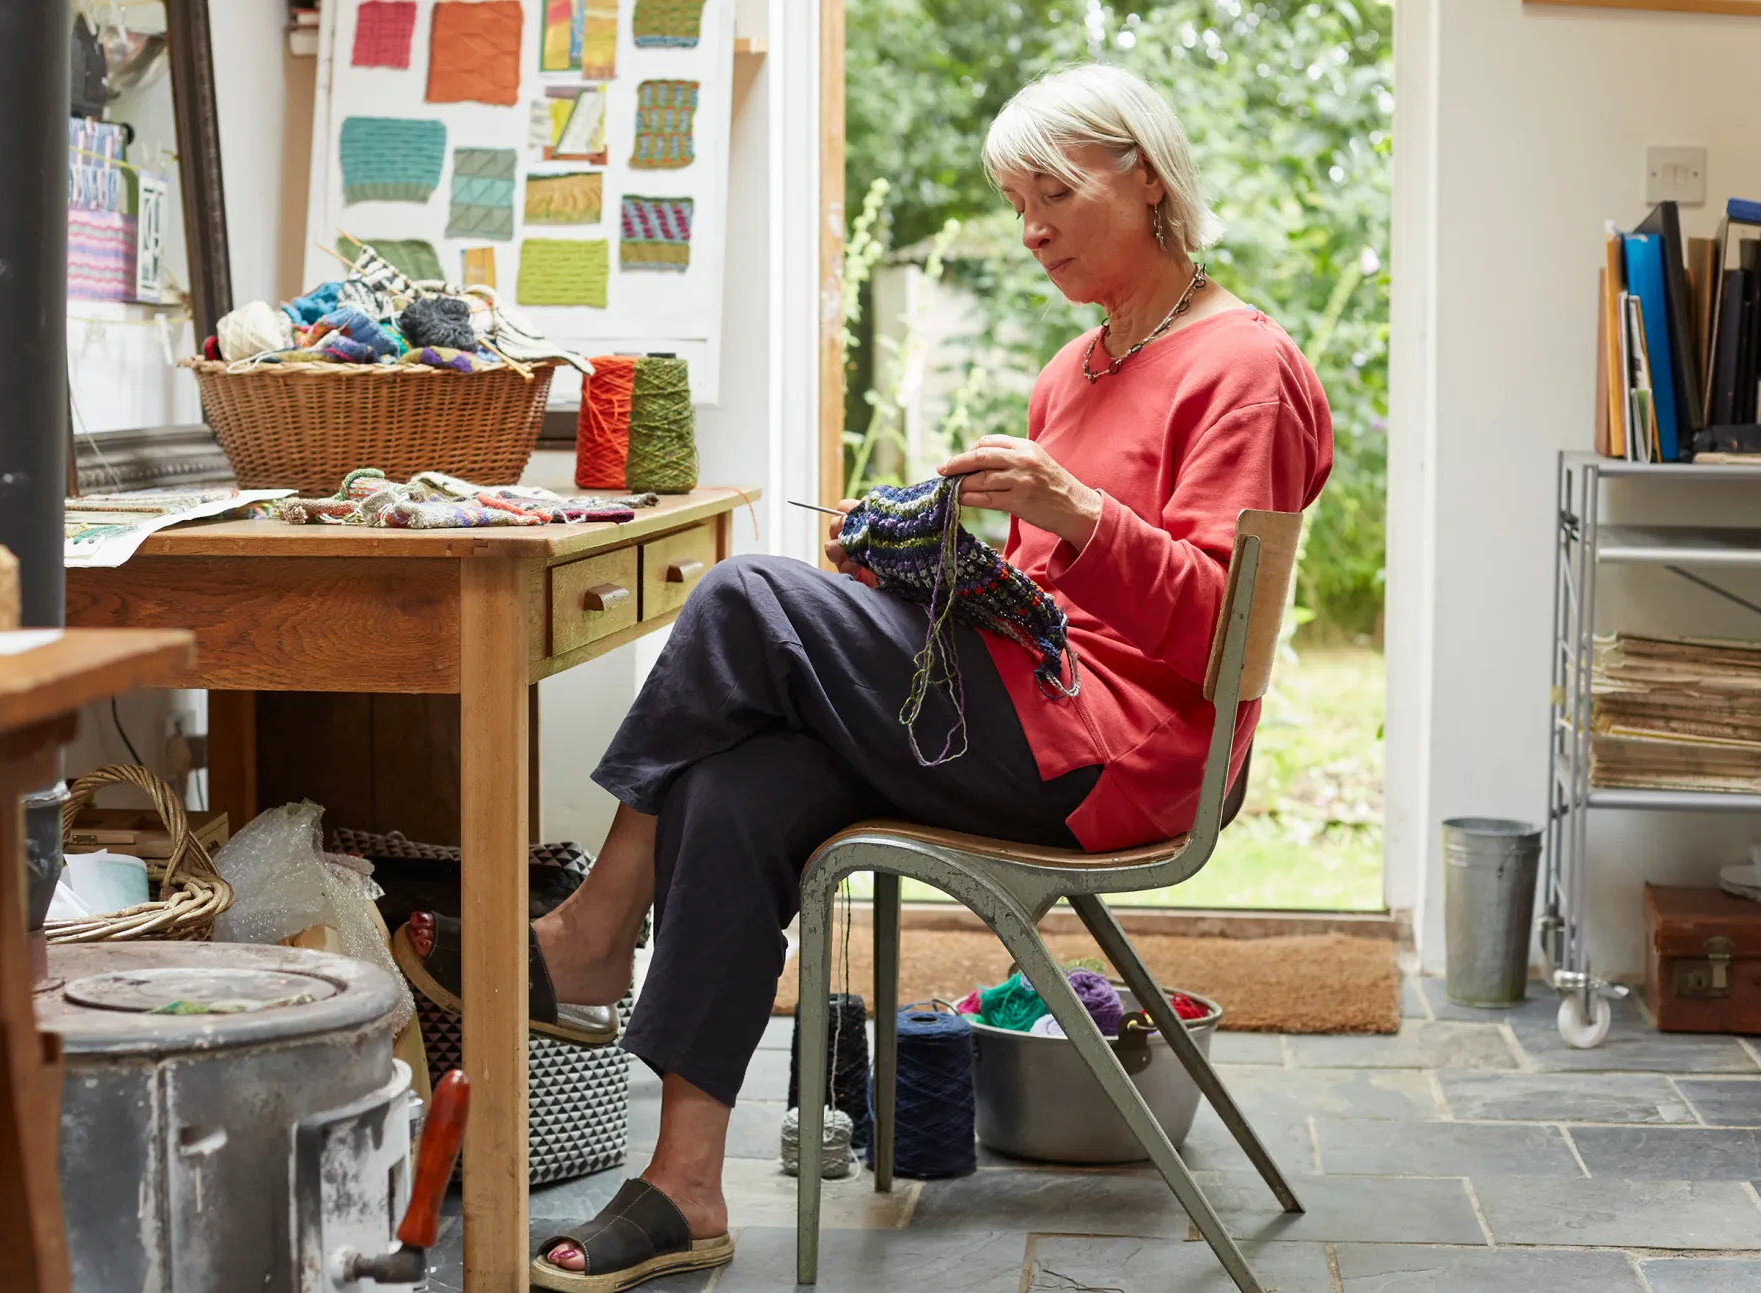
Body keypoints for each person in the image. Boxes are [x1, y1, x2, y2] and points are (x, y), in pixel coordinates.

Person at [393, 61, 1333, 1292]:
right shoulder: (1075, 368)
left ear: (1145, 176)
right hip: (1038, 718)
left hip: (1123, 760)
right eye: (1014, 201)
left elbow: (1220, 639)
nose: (1031, 226)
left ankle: (586, 932)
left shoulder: (1242, 366)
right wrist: (925, 575)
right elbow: (1046, 612)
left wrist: (1075, 511)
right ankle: (683, 1186)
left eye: (1053, 190)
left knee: (738, 595)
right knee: (739, 782)